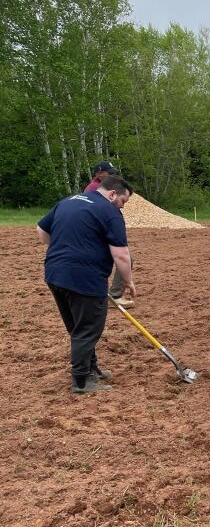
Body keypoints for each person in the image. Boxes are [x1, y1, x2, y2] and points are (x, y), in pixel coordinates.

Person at [37, 176, 136, 393]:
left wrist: (65, 248)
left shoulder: (68, 201)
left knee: (78, 327)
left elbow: (41, 230)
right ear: (112, 194)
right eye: (122, 201)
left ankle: (91, 369)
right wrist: (128, 281)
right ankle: (81, 381)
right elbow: (121, 255)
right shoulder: (110, 213)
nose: (122, 206)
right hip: (85, 278)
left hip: (55, 274)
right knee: (88, 328)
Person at [84, 160, 134, 308]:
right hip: (95, 234)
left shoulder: (100, 187)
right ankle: (114, 296)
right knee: (125, 258)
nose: (112, 175)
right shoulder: (94, 189)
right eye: (109, 172)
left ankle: (110, 294)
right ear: (99, 173)